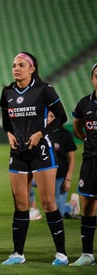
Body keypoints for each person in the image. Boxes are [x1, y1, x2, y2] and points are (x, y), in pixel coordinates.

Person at [0, 52, 69, 266]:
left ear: (32, 68)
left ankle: (61, 254)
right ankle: (18, 254)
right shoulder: (7, 92)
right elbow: (6, 122)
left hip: (42, 152)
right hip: (18, 153)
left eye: (21, 65)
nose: (16, 68)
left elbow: (61, 117)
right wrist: (9, 135)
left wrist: (41, 133)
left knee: (48, 202)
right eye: (13, 65)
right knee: (21, 204)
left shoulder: (44, 89)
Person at [70, 62, 97, 266]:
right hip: (90, 160)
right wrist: (85, 138)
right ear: (92, 78)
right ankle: (87, 254)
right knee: (87, 205)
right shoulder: (84, 104)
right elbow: (77, 125)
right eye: (96, 75)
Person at [29, 111, 77, 220]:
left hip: (59, 177)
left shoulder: (65, 135)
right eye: (47, 116)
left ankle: (72, 205)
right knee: (23, 181)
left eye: (52, 116)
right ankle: (33, 208)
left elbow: (72, 158)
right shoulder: (40, 134)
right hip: (42, 175)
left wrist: (68, 179)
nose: (48, 119)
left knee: (57, 214)